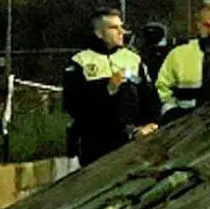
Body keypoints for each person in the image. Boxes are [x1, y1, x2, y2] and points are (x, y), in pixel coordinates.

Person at [65, 9, 157, 167]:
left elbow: (150, 97)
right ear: (99, 33)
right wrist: (108, 90)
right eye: (114, 28)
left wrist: (152, 123)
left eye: (121, 27)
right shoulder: (80, 62)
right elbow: (73, 105)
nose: (122, 32)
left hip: (132, 140)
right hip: (95, 144)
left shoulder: (133, 60)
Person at [156, 0, 210, 119]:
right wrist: (171, 110)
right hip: (183, 123)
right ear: (197, 24)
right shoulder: (178, 55)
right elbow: (162, 88)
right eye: (206, 25)